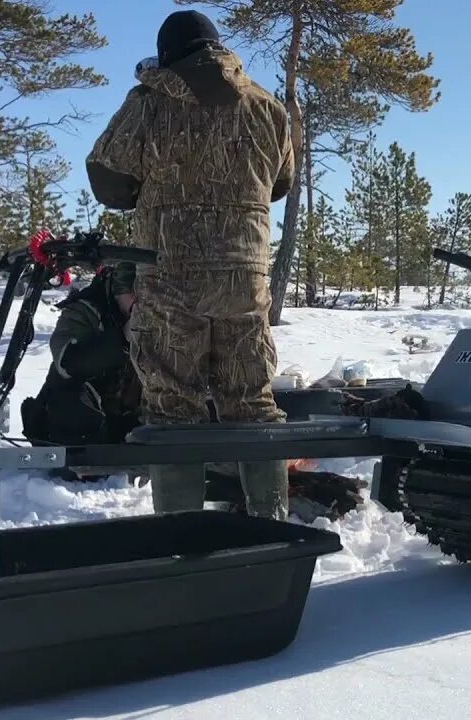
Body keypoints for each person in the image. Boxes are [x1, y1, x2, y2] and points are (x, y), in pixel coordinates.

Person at [85, 9, 294, 519]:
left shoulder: (148, 103)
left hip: (171, 276)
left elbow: (106, 181)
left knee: (172, 407)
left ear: (166, 54)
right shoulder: (268, 106)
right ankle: (274, 530)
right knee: (252, 403)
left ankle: (178, 542)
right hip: (245, 277)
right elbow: (282, 183)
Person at [21, 264, 141, 453]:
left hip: (124, 421)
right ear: (117, 291)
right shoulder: (86, 310)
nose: (139, 304)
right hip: (74, 425)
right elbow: (68, 361)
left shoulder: (159, 314)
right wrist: (122, 340)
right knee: (69, 394)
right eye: (134, 295)